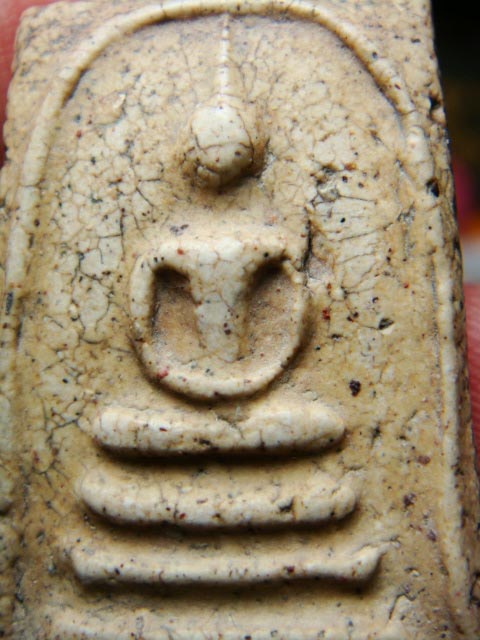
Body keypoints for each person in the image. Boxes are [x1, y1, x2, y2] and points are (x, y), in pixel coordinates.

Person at [1, 0, 479, 458]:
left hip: (257, 385)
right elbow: (144, 315)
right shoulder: (172, 251)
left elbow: (293, 305)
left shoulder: (267, 246)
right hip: (187, 388)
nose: (221, 164)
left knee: (315, 425)